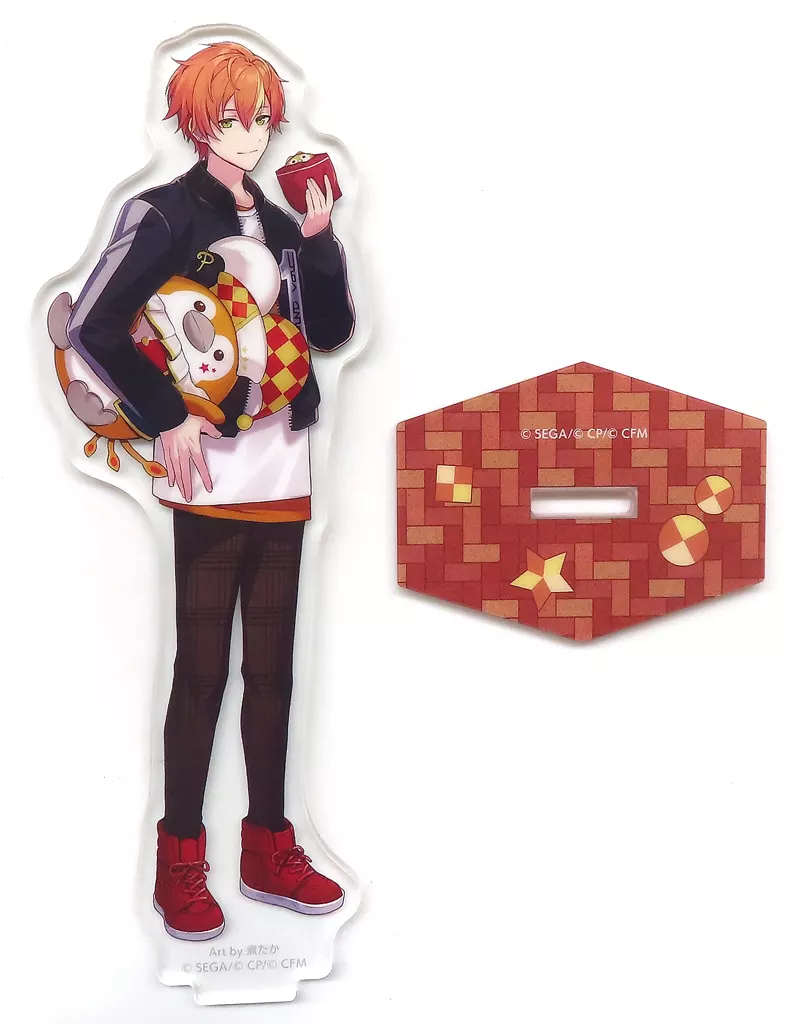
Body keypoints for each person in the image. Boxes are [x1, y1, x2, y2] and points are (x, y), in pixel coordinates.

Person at [68, 41, 354, 940]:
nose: (250, 134)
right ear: (196, 121)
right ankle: (180, 860)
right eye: (231, 117)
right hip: (208, 468)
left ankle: (269, 846)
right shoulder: (160, 211)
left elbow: (330, 331)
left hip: (284, 458)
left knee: (272, 669)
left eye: (261, 117)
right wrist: (165, 416)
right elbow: (91, 325)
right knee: (201, 670)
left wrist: (319, 240)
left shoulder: (277, 219)